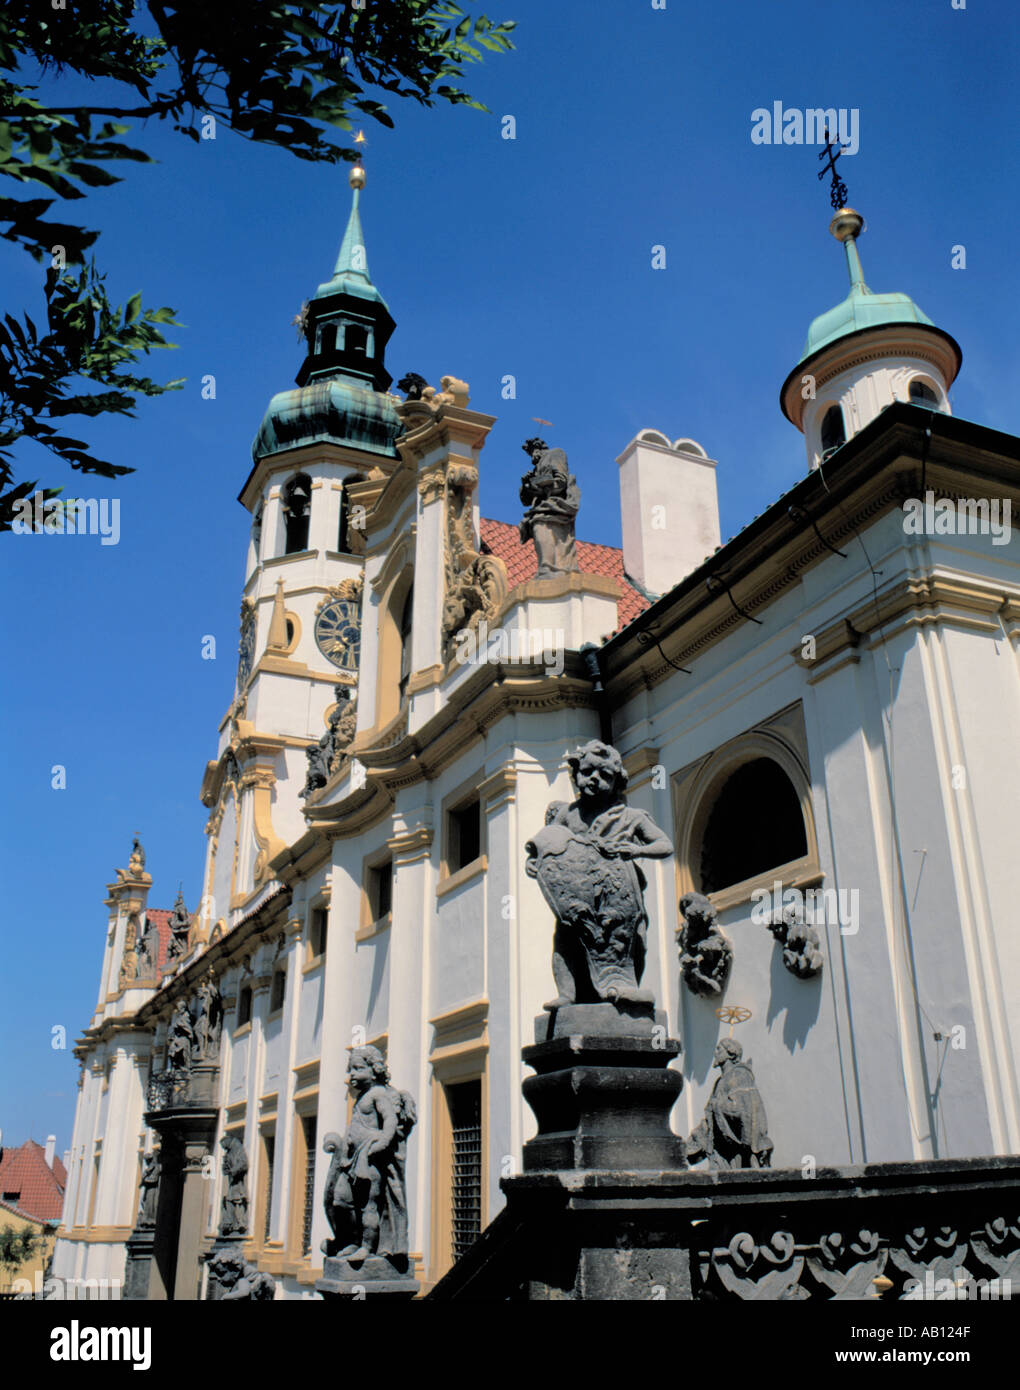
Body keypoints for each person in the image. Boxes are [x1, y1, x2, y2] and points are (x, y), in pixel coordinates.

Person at [526, 739, 673, 1007]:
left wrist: (636, 850)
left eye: (604, 775)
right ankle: (568, 995)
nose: (594, 779)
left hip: (619, 900)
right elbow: (549, 848)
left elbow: (665, 845)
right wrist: (535, 863)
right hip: (579, 899)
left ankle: (627, 990)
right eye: (587, 772)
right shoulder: (567, 816)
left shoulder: (632, 816)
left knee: (632, 940)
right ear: (576, 774)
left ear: (616, 783)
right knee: (564, 940)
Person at [322, 1046, 416, 1267]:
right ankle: (352, 1241)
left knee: (368, 1204)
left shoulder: (379, 1094)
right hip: (354, 1159)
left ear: (374, 1070)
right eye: (350, 1069)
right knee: (341, 1199)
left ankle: (367, 1246)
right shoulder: (363, 1096)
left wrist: (381, 1143)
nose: (352, 1074)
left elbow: (390, 1120)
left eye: (358, 1068)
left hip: (370, 1158)